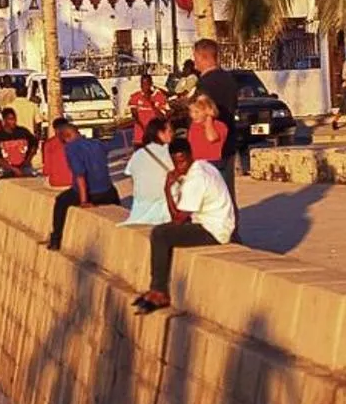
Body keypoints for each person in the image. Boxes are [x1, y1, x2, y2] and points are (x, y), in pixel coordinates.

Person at [130, 135, 234, 314]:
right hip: (212, 223)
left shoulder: (196, 178)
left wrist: (167, 188)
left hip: (214, 230)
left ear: (190, 156)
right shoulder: (203, 165)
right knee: (163, 232)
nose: (180, 166)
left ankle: (159, 290)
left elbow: (178, 219)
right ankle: (156, 289)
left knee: (160, 234)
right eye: (177, 163)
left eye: (183, 161)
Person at [44, 118, 119, 251]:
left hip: (90, 194)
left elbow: (80, 176)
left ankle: (56, 239)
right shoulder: (96, 143)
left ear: (65, 137)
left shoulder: (71, 148)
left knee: (60, 201)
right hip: (107, 192)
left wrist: (84, 200)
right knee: (114, 195)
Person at [189, 39, 240, 187]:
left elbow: (201, 111)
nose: (195, 62)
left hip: (208, 147)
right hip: (228, 140)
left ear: (203, 56)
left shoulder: (204, 83)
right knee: (226, 195)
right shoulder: (229, 79)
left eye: (196, 57)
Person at [186, 91, 230, 166]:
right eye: (191, 111)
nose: (193, 115)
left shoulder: (220, 126)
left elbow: (211, 138)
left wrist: (209, 118)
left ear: (208, 110)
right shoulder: (194, 126)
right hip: (198, 164)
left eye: (197, 112)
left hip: (214, 164)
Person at [127, 72, 165, 141]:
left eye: (146, 84)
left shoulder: (159, 96)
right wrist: (145, 129)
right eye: (142, 84)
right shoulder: (135, 97)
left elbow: (162, 117)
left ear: (151, 84)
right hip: (140, 136)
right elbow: (135, 116)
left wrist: (152, 104)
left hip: (155, 136)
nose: (144, 86)